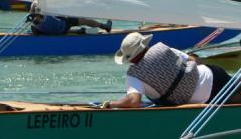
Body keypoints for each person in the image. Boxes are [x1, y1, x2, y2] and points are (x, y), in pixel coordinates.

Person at [100, 32, 241, 109]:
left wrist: (111, 103)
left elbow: (133, 102)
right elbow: (195, 61)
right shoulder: (162, 48)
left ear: (129, 58)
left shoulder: (133, 76)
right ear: (144, 44)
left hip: (206, 98)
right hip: (213, 74)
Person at [28, 0, 112, 35]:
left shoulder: (33, 21)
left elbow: (37, 22)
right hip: (63, 26)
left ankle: (79, 31)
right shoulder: (43, 16)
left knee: (35, 29)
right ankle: (104, 26)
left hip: (57, 31)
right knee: (84, 21)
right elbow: (40, 19)